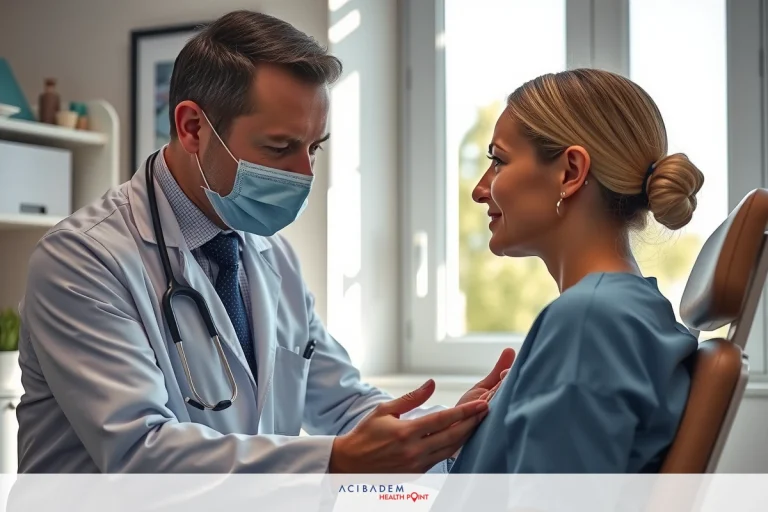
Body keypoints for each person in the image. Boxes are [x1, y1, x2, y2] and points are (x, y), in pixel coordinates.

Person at [15, 10, 515, 473]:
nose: (305, 173)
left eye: (314, 148)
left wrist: (445, 430)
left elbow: (343, 403)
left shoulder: (267, 254)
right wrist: (334, 462)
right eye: (280, 147)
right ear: (193, 127)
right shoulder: (82, 260)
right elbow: (139, 455)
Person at [449, 68, 703, 474]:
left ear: (569, 172)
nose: (480, 189)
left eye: (498, 161)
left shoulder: (590, 322)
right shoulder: (626, 312)